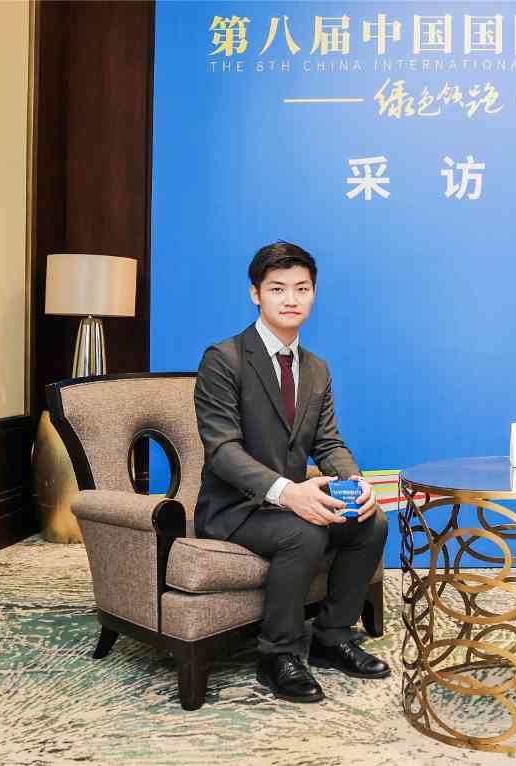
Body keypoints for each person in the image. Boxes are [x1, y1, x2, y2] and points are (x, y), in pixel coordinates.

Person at [193, 241, 389, 704]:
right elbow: (222, 451)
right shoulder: (224, 358)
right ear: (255, 294)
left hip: (290, 503)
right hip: (235, 508)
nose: (291, 299)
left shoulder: (316, 368)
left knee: (371, 522)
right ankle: (277, 654)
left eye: (302, 288)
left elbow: (328, 443)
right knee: (304, 532)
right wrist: (287, 492)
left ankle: (331, 637)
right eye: (277, 288)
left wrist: (355, 482)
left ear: (313, 294)